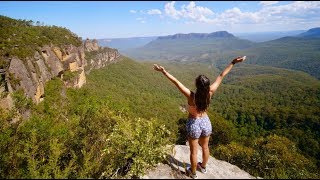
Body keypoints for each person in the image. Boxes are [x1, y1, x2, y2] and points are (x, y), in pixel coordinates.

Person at [153, 56, 246, 179]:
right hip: (206, 121)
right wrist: (233, 62)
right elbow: (222, 75)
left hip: (194, 123)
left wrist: (163, 71)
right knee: (205, 147)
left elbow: (175, 81)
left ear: (197, 85)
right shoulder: (210, 92)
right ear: (207, 86)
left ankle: (193, 172)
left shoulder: (191, 96)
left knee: (194, 151)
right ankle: (203, 167)